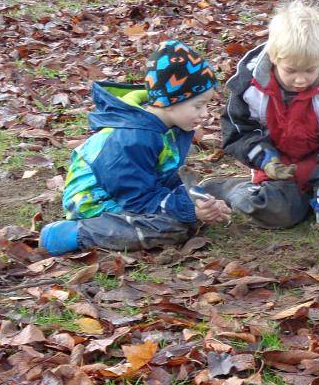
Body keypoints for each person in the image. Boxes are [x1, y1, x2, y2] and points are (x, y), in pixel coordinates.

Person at [39, 40, 231, 256]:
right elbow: (136, 198)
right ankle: (74, 233)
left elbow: (165, 176)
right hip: (97, 203)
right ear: (171, 101)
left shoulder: (169, 126)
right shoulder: (132, 138)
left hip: (137, 191)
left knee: (207, 195)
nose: (205, 114)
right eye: (198, 105)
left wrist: (199, 202)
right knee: (171, 228)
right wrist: (189, 208)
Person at [203, 0, 319, 228]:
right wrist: (265, 159)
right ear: (274, 57)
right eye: (291, 70)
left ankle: (315, 199)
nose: (301, 80)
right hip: (280, 166)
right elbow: (238, 133)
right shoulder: (249, 86)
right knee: (279, 215)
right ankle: (230, 188)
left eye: (310, 70)